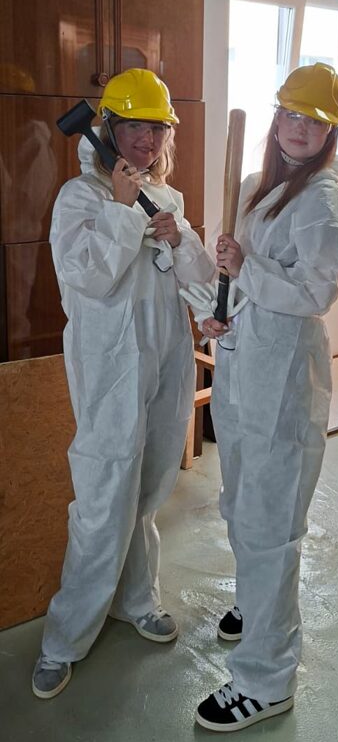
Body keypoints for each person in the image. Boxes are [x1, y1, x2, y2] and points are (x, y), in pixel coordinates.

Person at [32, 68, 215, 700]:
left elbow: (197, 287)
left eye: (157, 127)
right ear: (108, 128)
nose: (147, 138)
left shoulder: (168, 198)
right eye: (134, 125)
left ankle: (136, 599)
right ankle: (63, 640)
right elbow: (88, 279)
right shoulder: (80, 198)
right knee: (105, 494)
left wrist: (179, 236)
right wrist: (119, 209)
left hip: (166, 362)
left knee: (148, 487)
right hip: (110, 367)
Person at [195, 62, 338, 732]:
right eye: (291, 114)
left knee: (269, 522)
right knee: (241, 502)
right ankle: (256, 602)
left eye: (314, 121)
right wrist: (220, 308)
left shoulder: (326, 203)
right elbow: (235, 278)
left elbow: (315, 292)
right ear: (276, 117)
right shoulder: (255, 185)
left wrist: (247, 267)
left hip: (284, 376)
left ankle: (265, 682)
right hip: (243, 365)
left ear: (330, 132)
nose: (299, 129)